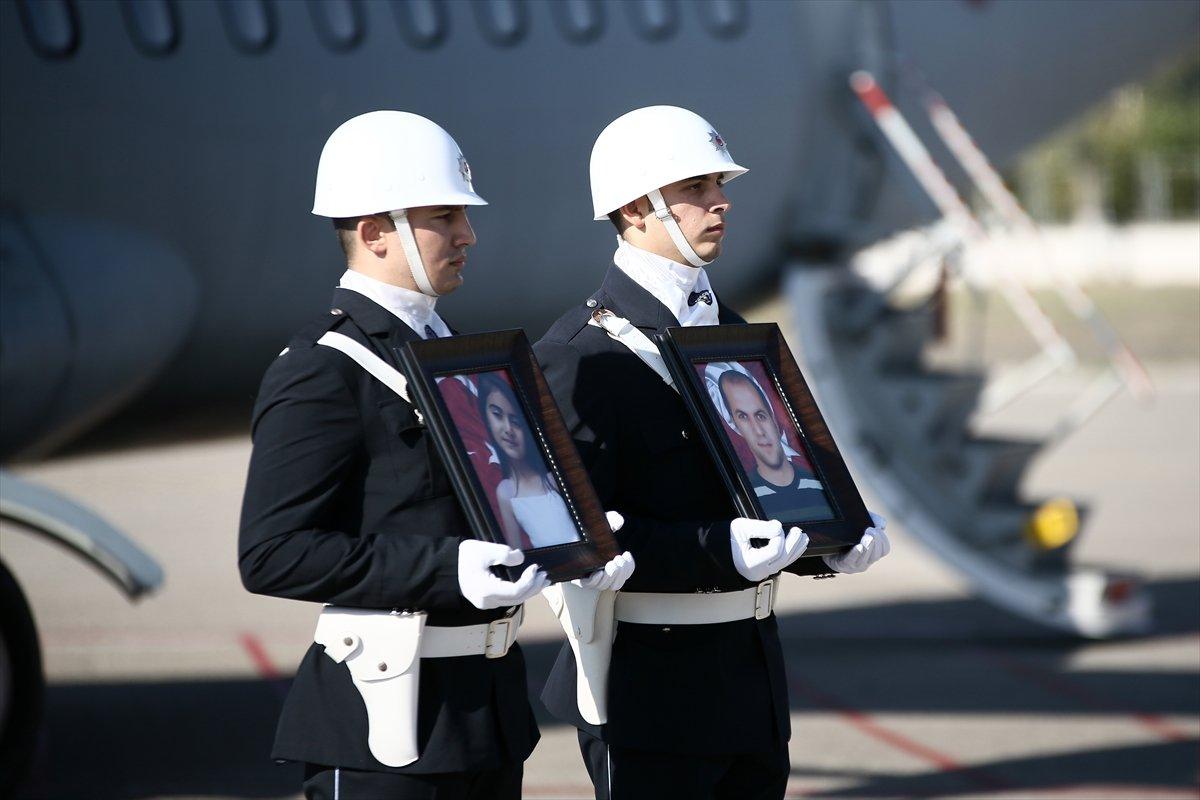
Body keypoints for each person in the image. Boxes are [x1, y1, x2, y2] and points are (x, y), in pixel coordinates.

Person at [238, 110, 633, 800]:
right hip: (385, 722)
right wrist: (447, 569)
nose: (467, 235)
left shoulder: (458, 359)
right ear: (373, 233)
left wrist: (579, 544)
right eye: (444, 216)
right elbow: (273, 551)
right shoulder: (323, 369)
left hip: (485, 716)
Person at [533, 105, 891, 800]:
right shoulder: (582, 355)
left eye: (718, 184)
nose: (720, 200)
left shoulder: (731, 334)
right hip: (650, 689)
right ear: (636, 209)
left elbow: (766, 488)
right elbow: (577, 535)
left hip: (752, 681)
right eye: (696, 188)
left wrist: (828, 541)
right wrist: (713, 549)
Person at [476, 373, 580, 550]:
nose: (508, 429)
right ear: (487, 419)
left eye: (516, 421)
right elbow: (518, 552)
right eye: (497, 415)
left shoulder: (552, 478)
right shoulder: (506, 492)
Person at [715, 367, 833, 521]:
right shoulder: (743, 499)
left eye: (760, 415)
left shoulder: (824, 487)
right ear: (735, 425)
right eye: (743, 417)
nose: (758, 431)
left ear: (774, 418)